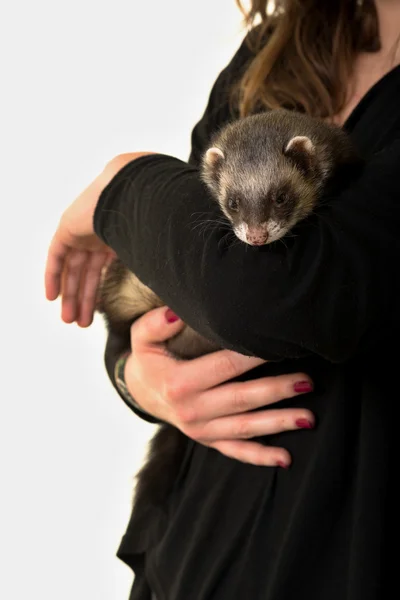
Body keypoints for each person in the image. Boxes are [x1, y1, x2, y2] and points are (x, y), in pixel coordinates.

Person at [45, 0, 400, 598]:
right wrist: (140, 379)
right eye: (240, 213)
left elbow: (257, 297)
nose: (255, 235)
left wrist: (122, 181)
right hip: (182, 559)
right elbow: (170, 276)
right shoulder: (271, 51)